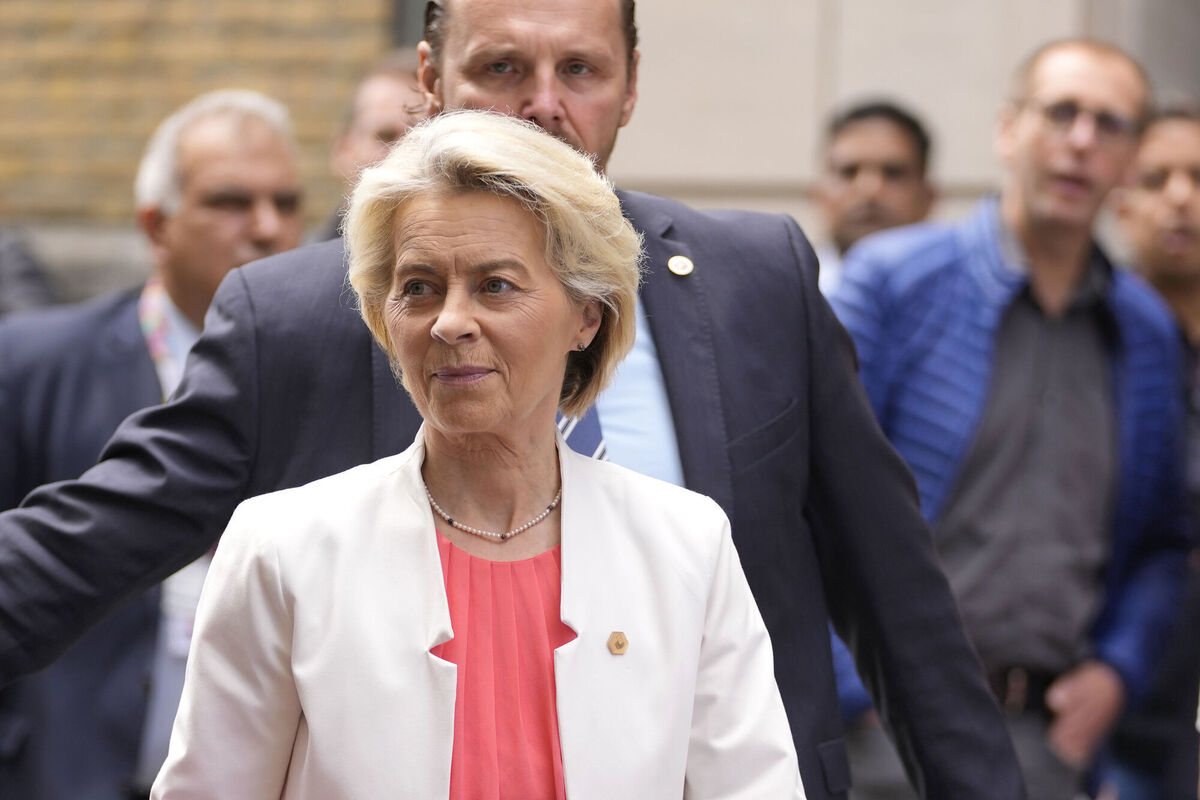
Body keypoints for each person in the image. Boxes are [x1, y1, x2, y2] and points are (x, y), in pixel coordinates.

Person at [0, 2, 1024, 798]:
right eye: (500, 70)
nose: (542, 105)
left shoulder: (756, 278)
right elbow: (88, 540)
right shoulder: (299, 316)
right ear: (430, 81)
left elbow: (899, 602)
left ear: (630, 87)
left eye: (580, 70)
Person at [150, 108, 804, 800]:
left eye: (496, 285)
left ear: (587, 315)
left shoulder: (686, 545)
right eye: (419, 287)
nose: (451, 321)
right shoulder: (283, 548)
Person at [831, 39, 1189, 799]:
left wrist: (1117, 671)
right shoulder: (894, 282)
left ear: (1130, 160)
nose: (1082, 141)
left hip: (1047, 745)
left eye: (1110, 124)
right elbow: (807, 495)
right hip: (882, 735)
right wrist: (853, 690)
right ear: (1007, 129)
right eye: (1061, 113)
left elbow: (1163, 544)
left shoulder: (1144, 330)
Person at [0, 89, 304, 799]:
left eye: (287, 202)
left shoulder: (325, 373)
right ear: (155, 225)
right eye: (231, 202)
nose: (267, 228)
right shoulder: (37, 364)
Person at [1101, 104, 1200, 800]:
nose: (1180, 198)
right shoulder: (1085, 339)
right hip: (1111, 708)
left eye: (1198, 177)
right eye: (1156, 178)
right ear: (1119, 200)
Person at [813, 101, 935, 295]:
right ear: (819, 195)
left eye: (893, 173)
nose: (869, 190)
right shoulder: (786, 296)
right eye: (849, 172)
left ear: (928, 198)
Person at [315, 49, 428, 241]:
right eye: (386, 137)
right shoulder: (306, 259)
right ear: (343, 150)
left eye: (419, 137)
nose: (403, 152)